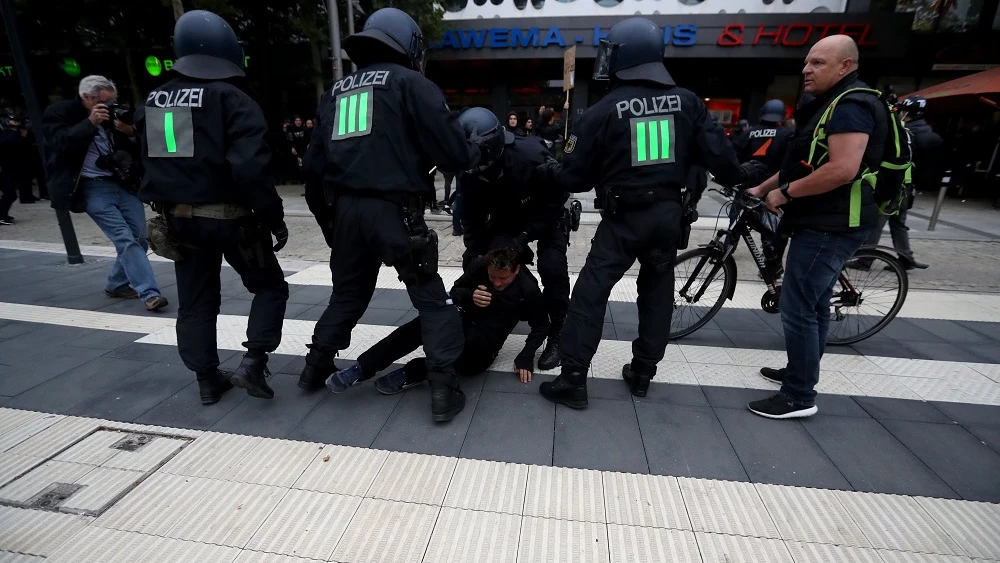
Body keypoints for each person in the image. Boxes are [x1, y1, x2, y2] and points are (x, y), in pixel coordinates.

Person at [535, 18, 765, 407]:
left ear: (622, 56)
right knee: (657, 291)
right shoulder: (688, 102)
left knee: (591, 293)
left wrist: (549, 169)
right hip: (667, 217)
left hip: (622, 221)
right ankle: (643, 372)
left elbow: (574, 177)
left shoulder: (603, 110)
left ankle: (573, 379)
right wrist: (746, 174)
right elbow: (724, 163)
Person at [300, 8, 484, 422]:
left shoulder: (335, 92)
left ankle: (313, 370)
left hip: (345, 212)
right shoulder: (411, 83)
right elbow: (452, 152)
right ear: (412, 47)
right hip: (396, 212)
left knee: (347, 295)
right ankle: (443, 390)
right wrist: (476, 151)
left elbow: (313, 172)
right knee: (432, 302)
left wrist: (332, 225)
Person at [135, 10, 289, 405]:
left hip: (178, 222)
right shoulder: (232, 97)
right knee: (269, 287)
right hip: (231, 220)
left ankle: (207, 380)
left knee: (197, 302)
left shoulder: (155, 98)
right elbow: (251, 169)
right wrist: (273, 218)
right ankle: (253, 363)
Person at [746, 35, 888, 419]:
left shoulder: (851, 106)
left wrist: (785, 194)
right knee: (816, 304)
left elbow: (843, 169)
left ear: (846, 65)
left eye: (819, 63)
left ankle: (798, 396)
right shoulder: (832, 104)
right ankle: (800, 371)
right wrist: (763, 186)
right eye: (807, 62)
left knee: (799, 308)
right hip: (826, 220)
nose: (807, 70)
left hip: (831, 224)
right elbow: (806, 161)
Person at [329, 245, 550, 394]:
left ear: (517, 269)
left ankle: (412, 372)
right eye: (493, 277)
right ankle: (362, 368)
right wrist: (469, 295)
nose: (497, 283)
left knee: (467, 365)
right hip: (460, 320)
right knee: (419, 326)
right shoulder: (479, 265)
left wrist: (525, 356)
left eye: (503, 278)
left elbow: (542, 325)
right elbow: (455, 292)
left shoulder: (528, 290)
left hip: (483, 345)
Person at [456, 107, 570, 371]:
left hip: (543, 216)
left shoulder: (531, 155)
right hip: (504, 218)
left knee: (552, 267)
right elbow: (471, 221)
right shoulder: (467, 171)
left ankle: (559, 329)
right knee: (473, 260)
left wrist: (525, 236)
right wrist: (480, 257)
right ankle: (485, 314)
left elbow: (557, 198)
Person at [43, 75, 168, 312]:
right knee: (124, 238)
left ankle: (116, 284)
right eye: (104, 102)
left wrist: (129, 131)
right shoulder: (60, 113)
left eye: (113, 101)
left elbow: (140, 144)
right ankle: (149, 293)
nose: (110, 107)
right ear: (86, 98)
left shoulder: (115, 116)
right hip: (91, 186)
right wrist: (89, 123)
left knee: (141, 238)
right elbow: (58, 144)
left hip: (123, 183)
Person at [851, 95, 934, 270]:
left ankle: (865, 258)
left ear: (907, 112)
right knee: (898, 223)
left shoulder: (904, 131)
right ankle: (906, 258)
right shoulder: (927, 133)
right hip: (908, 186)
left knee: (877, 220)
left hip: (895, 183)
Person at [733, 99, 795, 278]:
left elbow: (735, 156)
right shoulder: (787, 134)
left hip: (748, 186)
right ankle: (771, 266)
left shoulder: (749, 133)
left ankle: (728, 247)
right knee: (772, 228)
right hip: (774, 186)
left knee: (736, 219)